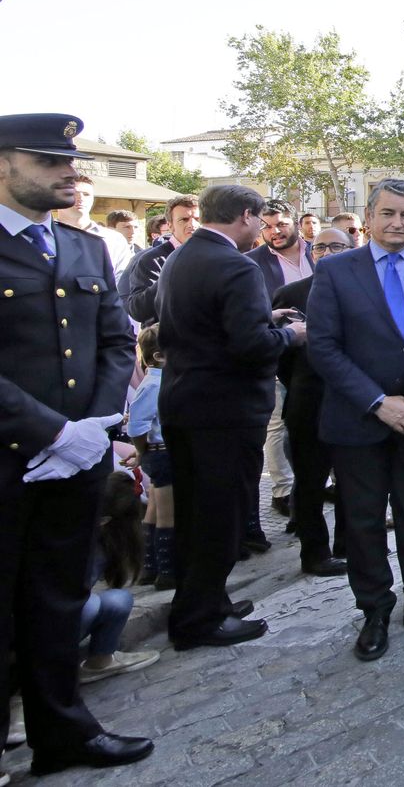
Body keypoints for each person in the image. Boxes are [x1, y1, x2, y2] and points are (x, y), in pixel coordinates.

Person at [0, 113, 153, 777]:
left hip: (78, 458)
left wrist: (91, 428)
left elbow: (116, 342)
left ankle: (61, 732)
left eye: (71, 162)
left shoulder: (81, 247)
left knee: (59, 601)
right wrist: (53, 433)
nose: (69, 173)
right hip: (12, 459)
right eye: (48, 161)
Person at [308, 178, 404, 660]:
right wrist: (379, 403)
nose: (398, 223)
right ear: (369, 217)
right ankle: (374, 609)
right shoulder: (335, 271)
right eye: (388, 213)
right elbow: (324, 347)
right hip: (358, 421)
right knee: (363, 521)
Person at [158, 184, 304, 651]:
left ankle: (205, 601)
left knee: (196, 514)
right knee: (221, 516)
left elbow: (205, 325)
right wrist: (292, 335)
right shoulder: (236, 265)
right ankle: (200, 619)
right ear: (245, 215)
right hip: (225, 411)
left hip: (186, 402)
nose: (261, 229)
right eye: (260, 220)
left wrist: (267, 317)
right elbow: (250, 346)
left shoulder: (183, 255)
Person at [271, 227, 352, 577]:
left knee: (353, 479)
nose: (327, 253)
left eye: (336, 246)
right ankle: (315, 553)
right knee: (309, 482)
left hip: (354, 403)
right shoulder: (290, 294)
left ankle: (349, 544)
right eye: (320, 247)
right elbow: (281, 354)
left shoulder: (366, 291)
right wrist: (301, 384)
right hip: (308, 401)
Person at [246, 198, 313, 526]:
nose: (274, 232)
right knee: (277, 423)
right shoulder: (251, 263)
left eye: (281, 224)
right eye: (267, 226)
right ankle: (283, 490)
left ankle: (323, 482)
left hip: (319, 354)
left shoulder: (318, 252)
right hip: (278, 350)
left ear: (296, 223)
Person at [79, 474, 160, 684]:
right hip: (41, 621)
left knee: (119, 599)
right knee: (88, 604)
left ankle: (101, 660)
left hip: (65, 614)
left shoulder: (104, 546)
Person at [126, 326, 176, 588]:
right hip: (162, 453)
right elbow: (137, 426)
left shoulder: (154, 381)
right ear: (158, 356)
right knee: (168, 513)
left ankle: (149, 567)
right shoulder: (155, 385)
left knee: (155, 509)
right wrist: (142, 449)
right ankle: (168, 571)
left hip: (157, 453)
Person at [118, 193, 200, 327]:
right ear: (170, 225)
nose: (193, 224)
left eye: (198, 219)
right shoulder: (152, 259)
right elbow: (138, 310)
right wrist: (171, 277)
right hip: (167, 336)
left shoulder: (218, 256)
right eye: (184, 219)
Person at [53, 172, 132, 278]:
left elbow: (122, 280)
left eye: (86, 194)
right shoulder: (44, 236)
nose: (80, 198)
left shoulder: (114, 239)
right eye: (73, 193)